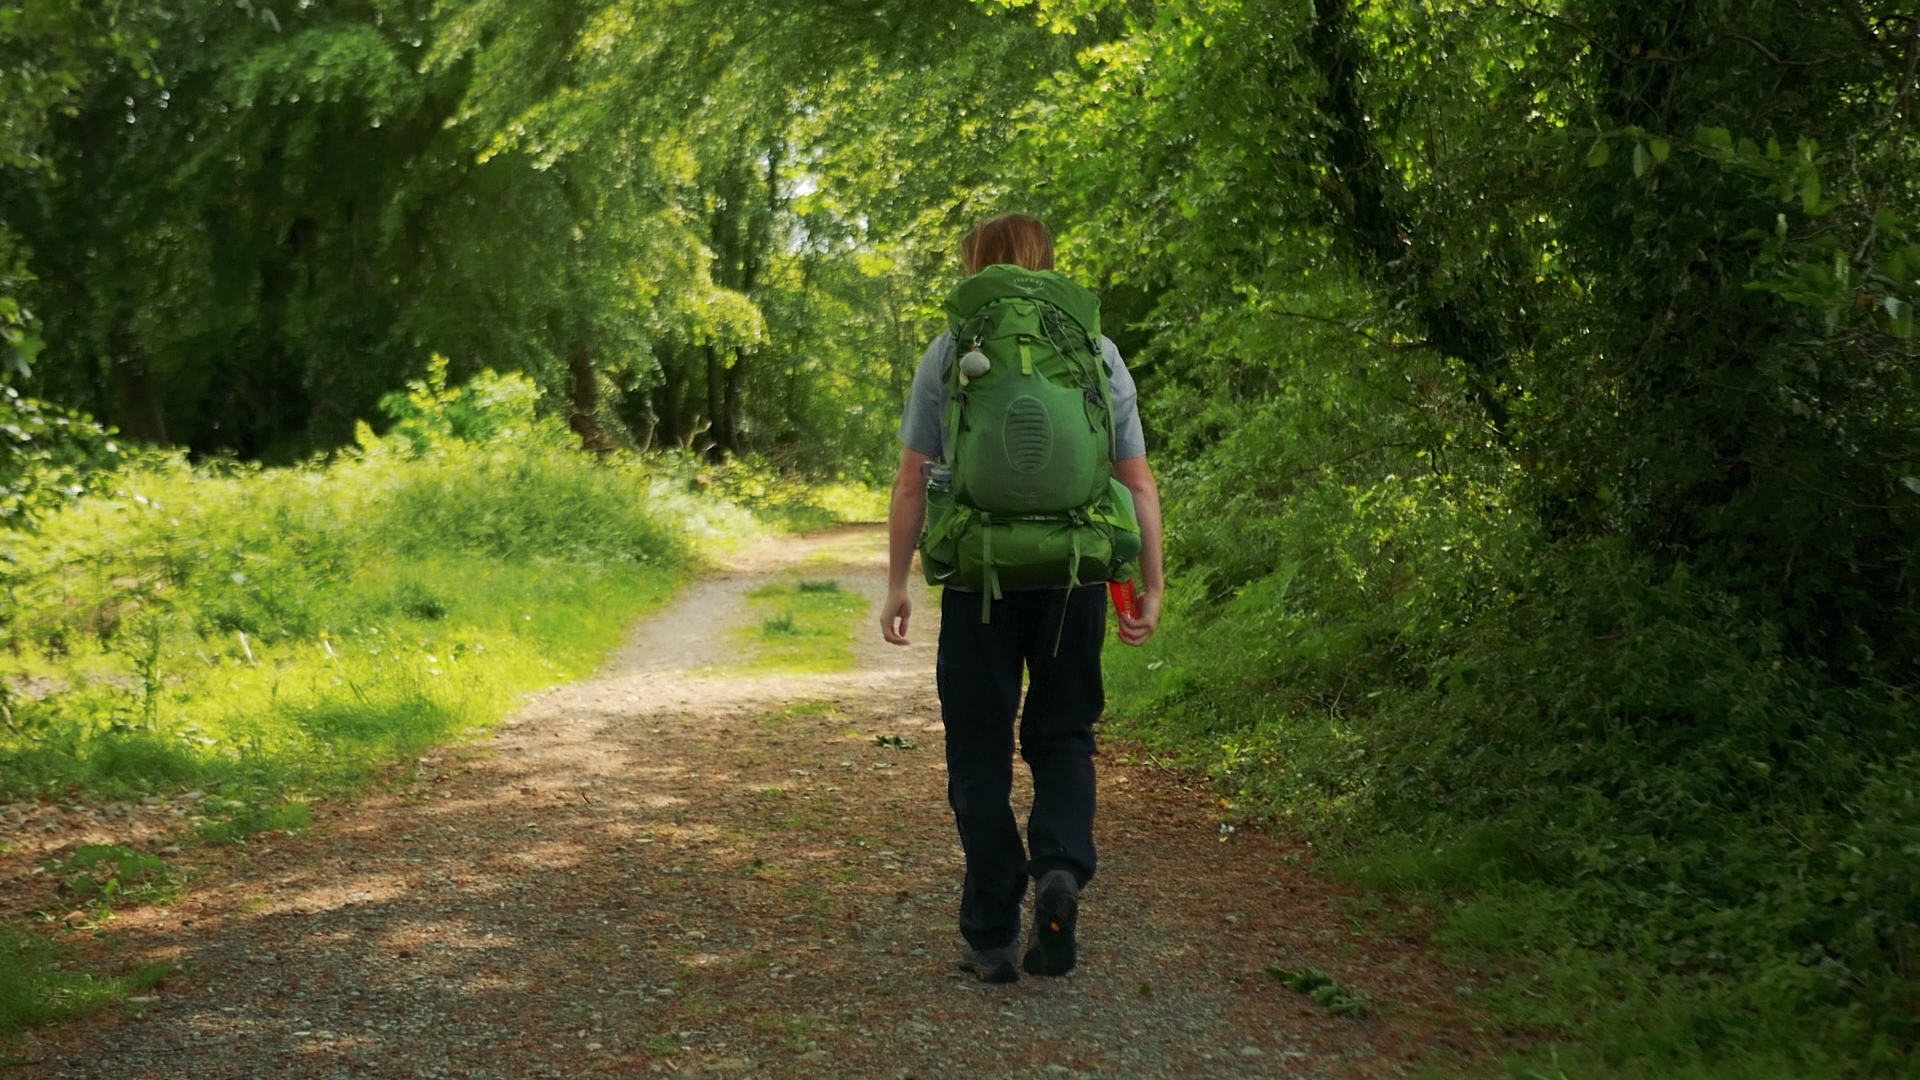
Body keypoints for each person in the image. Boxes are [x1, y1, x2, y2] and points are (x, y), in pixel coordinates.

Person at [879, 213, 1166, 984]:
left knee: (978, 751)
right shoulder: (1095, 351)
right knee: (1064, 736)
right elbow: (1135, 481)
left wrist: (899, 582)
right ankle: (1061, 870)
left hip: (979, 579)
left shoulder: (951, 351)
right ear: (1046, 262)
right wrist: (1150, 585)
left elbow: (912, 480)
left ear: (977, 264)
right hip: (1072, 576)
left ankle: (992, 933)